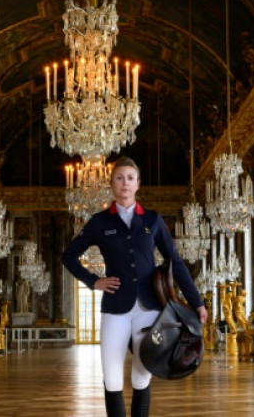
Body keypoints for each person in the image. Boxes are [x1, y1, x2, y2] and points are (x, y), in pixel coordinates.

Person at [62, 157, 208, 417]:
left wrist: (196, 302)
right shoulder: (99, 222)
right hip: (115, 308)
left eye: (130, 178)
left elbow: (175, 261)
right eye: (119, 178)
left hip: (150, 309)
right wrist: (94, 281)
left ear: (138, 184)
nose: (125, 183)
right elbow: (68, 256)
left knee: (142, 376)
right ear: (112, 183)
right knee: (112, 377)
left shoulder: (152, 220)